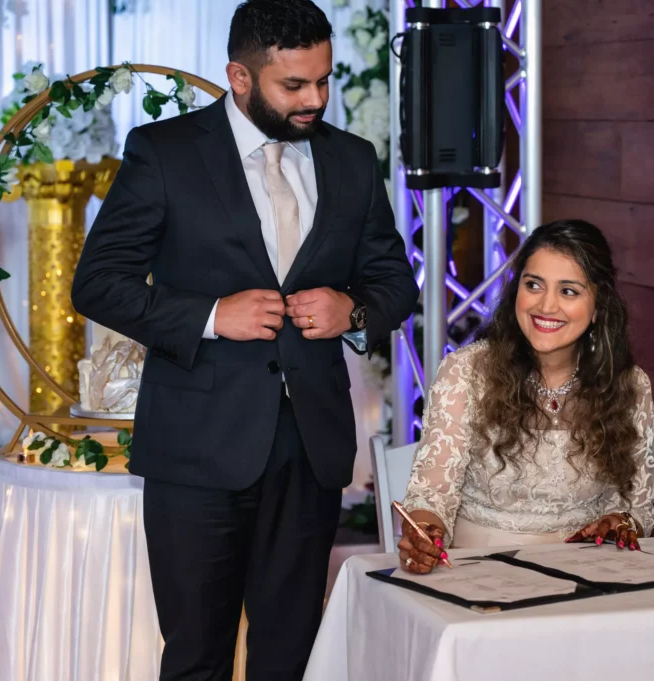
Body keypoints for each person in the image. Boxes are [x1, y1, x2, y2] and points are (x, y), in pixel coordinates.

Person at [71, 1, 419, 678]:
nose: (315, 99)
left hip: (310, 447)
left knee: (288, 655)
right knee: (197, 655)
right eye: (295, 85)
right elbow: (98, 281)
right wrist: (209, 314)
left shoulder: (352, 160)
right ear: (238, 76)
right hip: (196, 447)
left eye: (323, 80)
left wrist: (352, 308)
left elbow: (394, 281)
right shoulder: (164, 152)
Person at [397, 220, 654, 574]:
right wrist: (424, 532)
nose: (546, 306)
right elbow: (432, 496)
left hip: (588, 579)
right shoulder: (466, 372)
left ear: (598, 305)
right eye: (533, 285)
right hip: (476, 575)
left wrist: (622, 523)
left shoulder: (629, 385)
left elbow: (638, 507)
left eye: (568, 291)